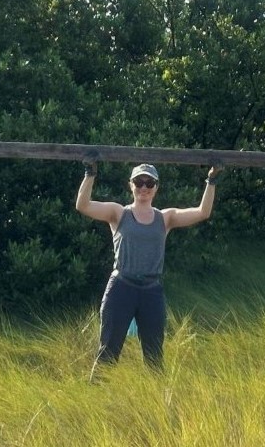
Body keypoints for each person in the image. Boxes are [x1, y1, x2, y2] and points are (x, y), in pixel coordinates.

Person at [76, 160, 221, 379]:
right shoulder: (118, 213)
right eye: (139, 182)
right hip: (121, 288)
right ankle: (93, 396)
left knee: (154, 358)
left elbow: (203, 212)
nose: (144, 187)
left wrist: (212, 179)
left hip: (151, 291)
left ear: (156, 187)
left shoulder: (165, 217)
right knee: (108, 353)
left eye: (149, 183)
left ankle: (155, 398)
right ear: (131, 185)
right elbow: (83, 205)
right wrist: (90, 173)